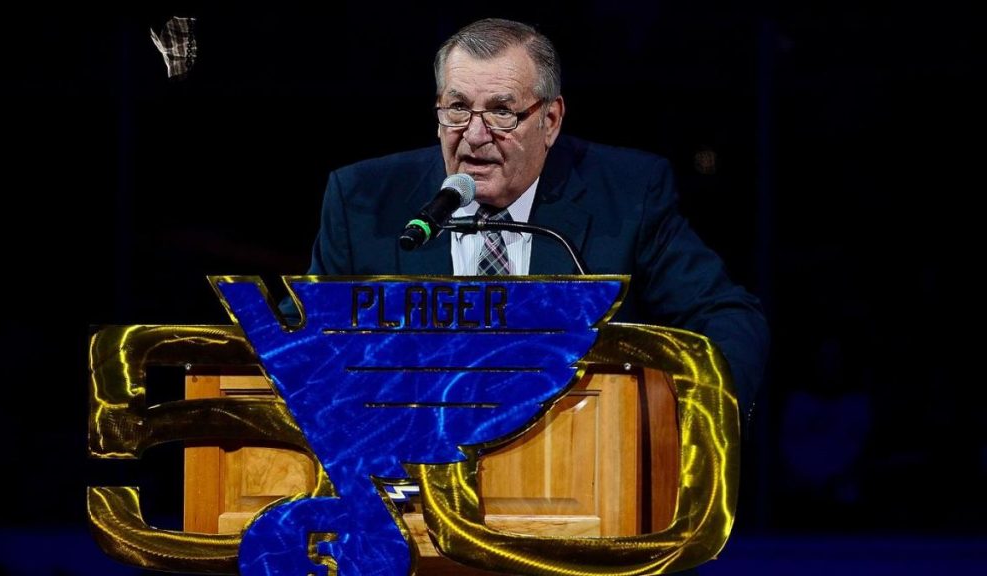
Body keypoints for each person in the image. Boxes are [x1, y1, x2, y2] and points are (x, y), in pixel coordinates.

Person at [305, 17, 769, 413]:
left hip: (575, 466)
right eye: (458, 108)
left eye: (501, 112)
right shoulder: (363, 200)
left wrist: (696, 428)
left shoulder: (627, 195)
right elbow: (303, 345)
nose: (474, 135)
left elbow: (726, 317)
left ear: (550, 121)